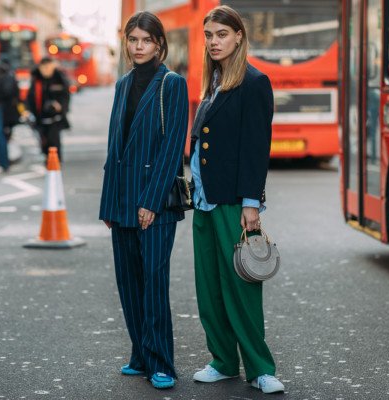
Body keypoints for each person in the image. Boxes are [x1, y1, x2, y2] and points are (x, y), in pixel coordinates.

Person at [190, 5, 284, 394]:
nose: (214, 42)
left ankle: (261, 368)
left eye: (222, 35)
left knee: (242, 286)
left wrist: (251, 202)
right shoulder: (211, 80)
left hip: (232, 200)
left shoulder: (254, 82)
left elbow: (256, 148)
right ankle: (223, 360)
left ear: (239, 37)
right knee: (209, 287)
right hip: (203, 199)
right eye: (209, 35)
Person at [98, 11, 188, 390]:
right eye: (133, 40)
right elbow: (113, 146)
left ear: (159, 44)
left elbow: (172, 150)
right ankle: (140, 352)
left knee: (153, 281)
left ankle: (161, 360)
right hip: (121, 200)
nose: (139, 47)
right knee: (128, 281)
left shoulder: (172, 84)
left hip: (154, 201)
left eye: (146, 41)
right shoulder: (121, 85)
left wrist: (150, 201)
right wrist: (108, 205)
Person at [26, 57, 70, 162]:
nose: (46, 70)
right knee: (43, 141)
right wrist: (28, 111)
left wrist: (60, 106)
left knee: (54, 140)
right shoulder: (36, 78)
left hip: (55, 117)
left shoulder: (59, 78)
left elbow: (65, 95)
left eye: (48, 67)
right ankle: (48, 158)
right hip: (39, 116)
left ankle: (55, 162)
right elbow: (30, 97)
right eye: (43, 68)